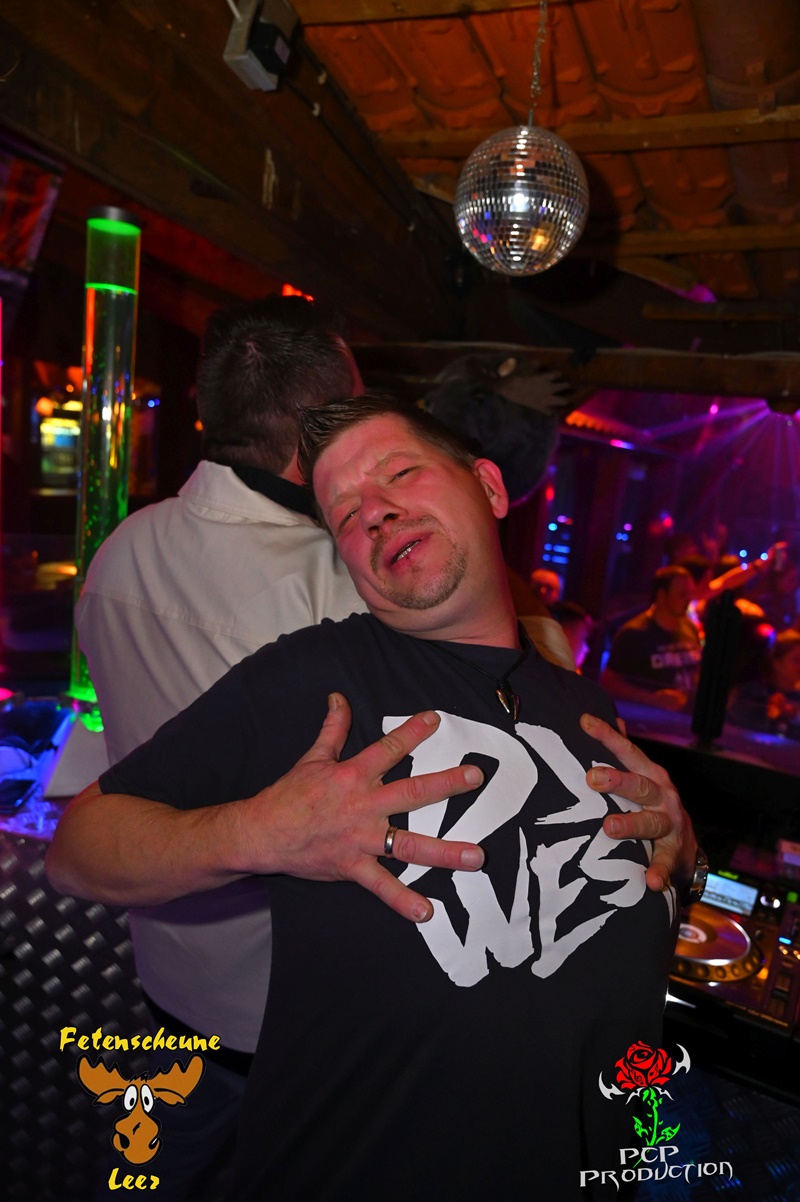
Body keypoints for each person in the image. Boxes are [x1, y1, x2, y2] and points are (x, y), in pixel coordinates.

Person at [50, 396, 696, 1201]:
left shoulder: (584, 703)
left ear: (490, 487)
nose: (376, 512)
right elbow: (78, 848)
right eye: (346, 513)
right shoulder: (313, 679)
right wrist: (257, 832)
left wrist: (683, 853)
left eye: (401, 473)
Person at [74, 295, 371, 1198]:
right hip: (296, 1006)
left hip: (170, 971)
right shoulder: (339, 589)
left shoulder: (121, 549)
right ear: (318, 434)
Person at [602, 565, 702, 712]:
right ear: (662, 596)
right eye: (682, 594)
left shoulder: (689, 627)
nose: (688, 600)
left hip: (684, 719)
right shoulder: (633, 634)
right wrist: (653, 699)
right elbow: (609, 683)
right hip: (648, 719)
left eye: (690, 594)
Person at [728, 628, 800, 735]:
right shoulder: (754, 694)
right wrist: (776, 714)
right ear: (776, 662)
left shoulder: (797, 698)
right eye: (796, 660)